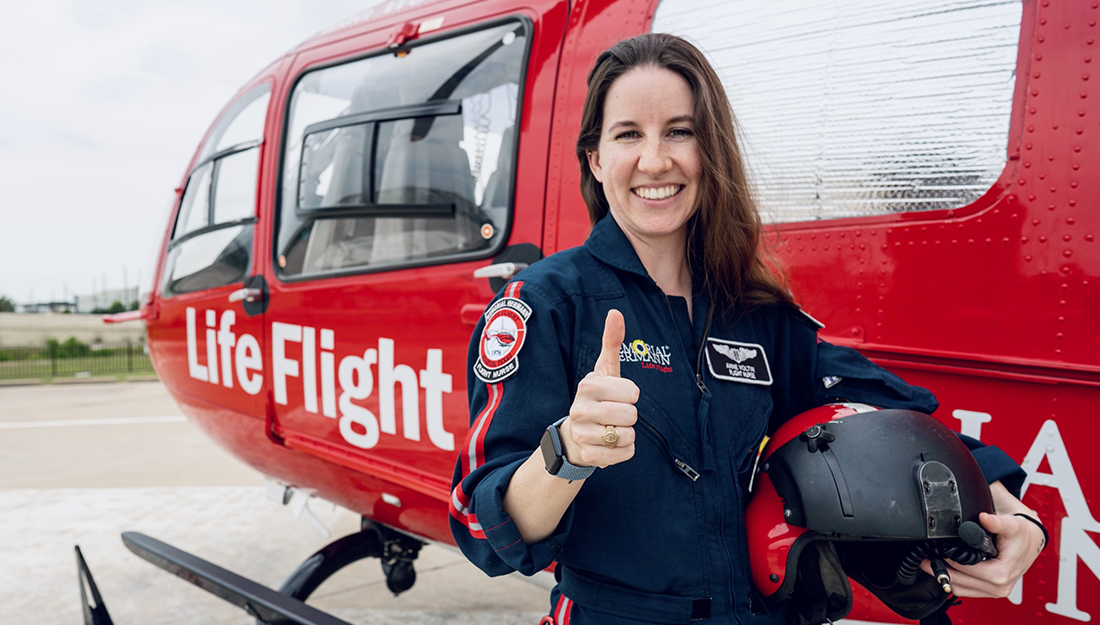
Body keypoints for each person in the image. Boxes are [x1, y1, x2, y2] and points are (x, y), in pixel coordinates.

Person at [449, 33, 1045, 625]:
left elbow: (883, 413)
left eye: (679, 131)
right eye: (629, 133)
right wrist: (568, 451)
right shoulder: (545, 303)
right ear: (596, 159)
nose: (655, 160)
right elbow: (481, 525)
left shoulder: (755, 312)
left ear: (710, 151)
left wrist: (1009, 512)